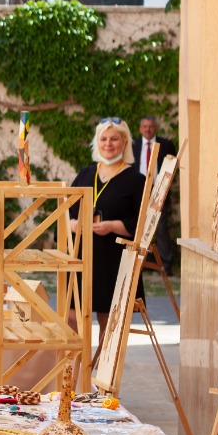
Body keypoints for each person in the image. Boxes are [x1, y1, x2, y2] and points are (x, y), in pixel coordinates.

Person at [70, 118, 146, 354]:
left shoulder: (136, 180)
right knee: (71, 316)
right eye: (103, 139)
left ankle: (100, 370)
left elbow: (144, 224)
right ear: (97, 142)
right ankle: (76, 369)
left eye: (114, 139)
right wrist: (74, 225)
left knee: (108, 320)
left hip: (114, 258)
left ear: (125, 142)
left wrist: (113, 225)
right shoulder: (86, 173)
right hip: (83, 256)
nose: (108, 144)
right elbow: (66, 211)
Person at [137, 116, 178, 269]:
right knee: (139, 227)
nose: (147, 129)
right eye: (145, 126)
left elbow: (174, 165)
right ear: (140, 129)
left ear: (156, 128)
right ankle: (140, 262)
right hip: (138, 192)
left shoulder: (166, 145)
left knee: (160, 227)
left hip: (159, 191)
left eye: (150, 126)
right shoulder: (133, 145)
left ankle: (165, 264)